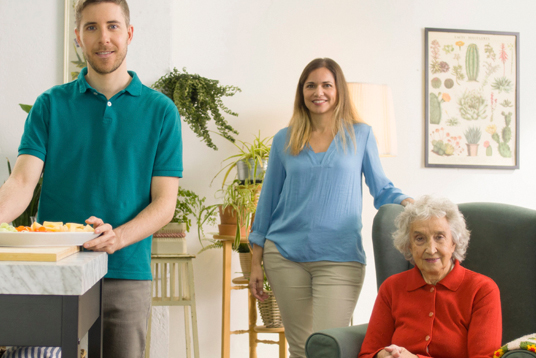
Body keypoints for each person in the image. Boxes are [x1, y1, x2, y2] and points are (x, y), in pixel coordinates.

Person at [0, 1, 182, 357]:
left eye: (113, 26)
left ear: (129, 34)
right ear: (78, 37)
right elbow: (21, 183)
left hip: (126, 271)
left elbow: (164, 203)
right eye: (92, 28)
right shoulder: (50, 104)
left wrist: (119, 237)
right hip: (56, 272)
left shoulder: (161, 111)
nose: (104, 38)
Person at [248, 57, 413, 358]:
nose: (318, 92)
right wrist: (256, 261)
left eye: (326, 85)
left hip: (339, 258)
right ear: (302, 92)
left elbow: (381, 189)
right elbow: (268, 202)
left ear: (339, 91)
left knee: (328, 349)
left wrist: (408, 202)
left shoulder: (360, 134)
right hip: (284, 256)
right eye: (310, 85)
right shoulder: (284, 139)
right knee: (299, 349)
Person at [358, 196, 502, 358]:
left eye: (439, 237)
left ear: (454, 242)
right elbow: (367, 354)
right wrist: (382, 355)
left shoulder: (482, 290)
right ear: (409, 245)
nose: (431, 249)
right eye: (420, 239)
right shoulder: (391, 287)